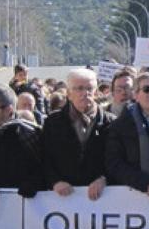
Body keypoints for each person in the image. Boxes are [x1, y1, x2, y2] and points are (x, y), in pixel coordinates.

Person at [41, 69, 112, 201]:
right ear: (68, 93)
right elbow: (45, 157)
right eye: (79, 88)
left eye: (89, 88)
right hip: (62, 198)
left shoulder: (111, 122)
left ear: (96, 92)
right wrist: (55, 181)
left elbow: (117, 158)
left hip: (102, 198)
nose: (85, 93)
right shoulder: (53, 122)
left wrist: (104, 178)